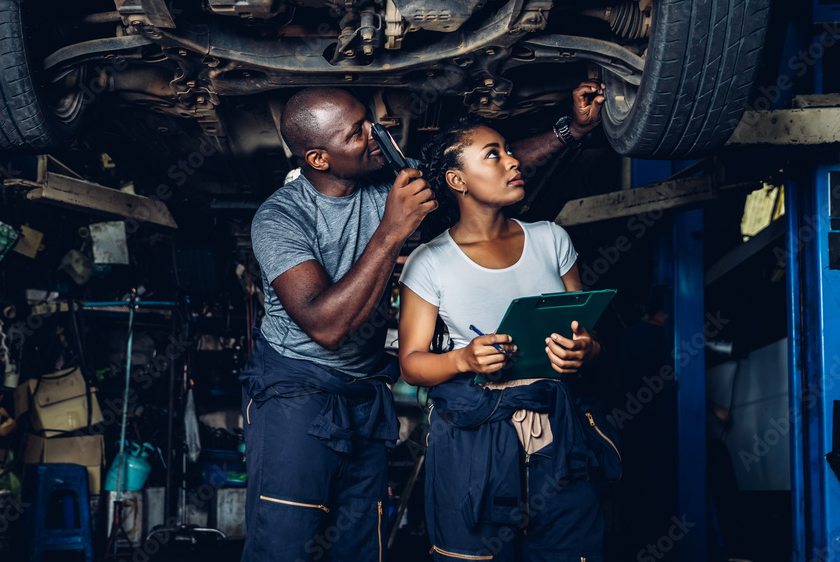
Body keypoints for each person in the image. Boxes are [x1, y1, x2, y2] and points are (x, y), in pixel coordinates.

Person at [242, 83, 604, 562]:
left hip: (365, 396)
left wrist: (572, 130)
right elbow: (325, 327)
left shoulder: (389, 182)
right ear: (319, 158)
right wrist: (394, 228)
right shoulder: (280, 218)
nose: (375, 134)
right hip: (295, 395)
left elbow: (479, 170)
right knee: (286, 542)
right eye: (356, 133)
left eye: (368, 119)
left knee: (358, 544)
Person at [397, 112, 609, 560]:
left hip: (559, 433)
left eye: (509, 151)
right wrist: (463, 360)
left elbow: (590, 335)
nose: (512, 162)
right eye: (493, 155)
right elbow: (412, 364)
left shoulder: (551, 239)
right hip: (476, 439)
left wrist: (584, 352)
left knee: (568, 550)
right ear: (458, 180)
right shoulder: (429, 262)